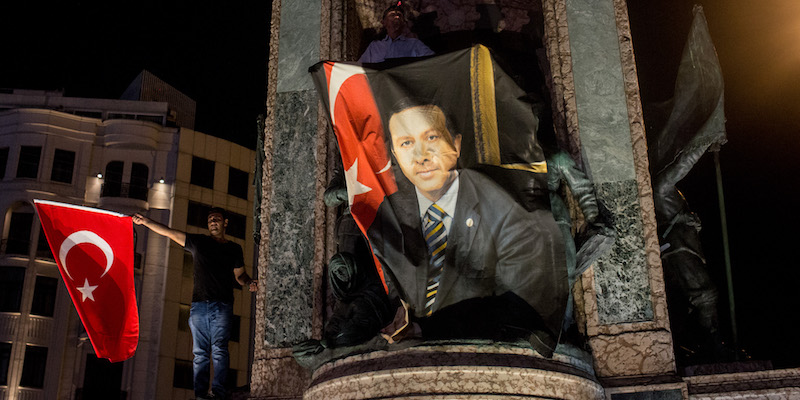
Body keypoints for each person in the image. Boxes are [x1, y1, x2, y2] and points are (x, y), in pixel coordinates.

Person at [368, 102, 567, 356]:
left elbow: (520, 306)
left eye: (432, 137)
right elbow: (385, 288)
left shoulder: (503, 205)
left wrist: (425, 329)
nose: (421, 155)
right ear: (394, 155)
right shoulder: (389, 216)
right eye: (406, 143)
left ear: (456, 144)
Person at [133, 208, 257, 400]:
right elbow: (170, 232)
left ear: (225, 223)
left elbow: (240, 275)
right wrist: (147, 222)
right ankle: (201, 395)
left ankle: (219, 392)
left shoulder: (234, 248)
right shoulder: (199, 242)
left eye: (216, 219)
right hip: (199, 306)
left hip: (223, 305)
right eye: (209, 220)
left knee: (220, 349)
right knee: (200, 353)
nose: (213, 222)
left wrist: (249, 283)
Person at [358, 3, 434, 64]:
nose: (397, 16)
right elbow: (359, 68)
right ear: (383, 22)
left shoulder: (415, 45)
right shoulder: (374, 47)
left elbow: (434, 62)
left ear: (404, 23)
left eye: (399, 15)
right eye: (392, 15)